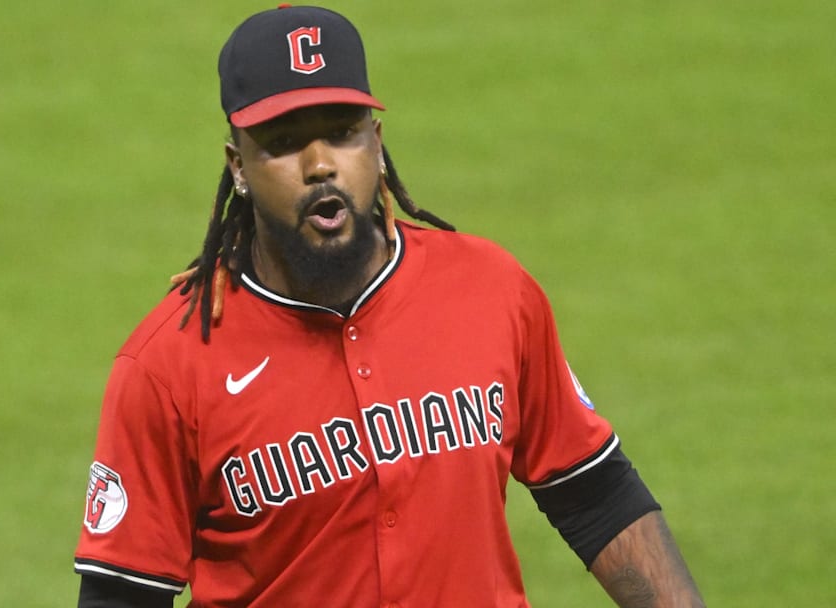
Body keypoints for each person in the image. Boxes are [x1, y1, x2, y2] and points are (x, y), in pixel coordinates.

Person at [74, 5, 705, 607]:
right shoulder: (170, 366)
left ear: (376, 142)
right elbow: (121, 594)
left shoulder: (490, 290)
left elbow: (593, 493)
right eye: (285, 141)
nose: (321, 164)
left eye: (342, 132)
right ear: (238, 166)